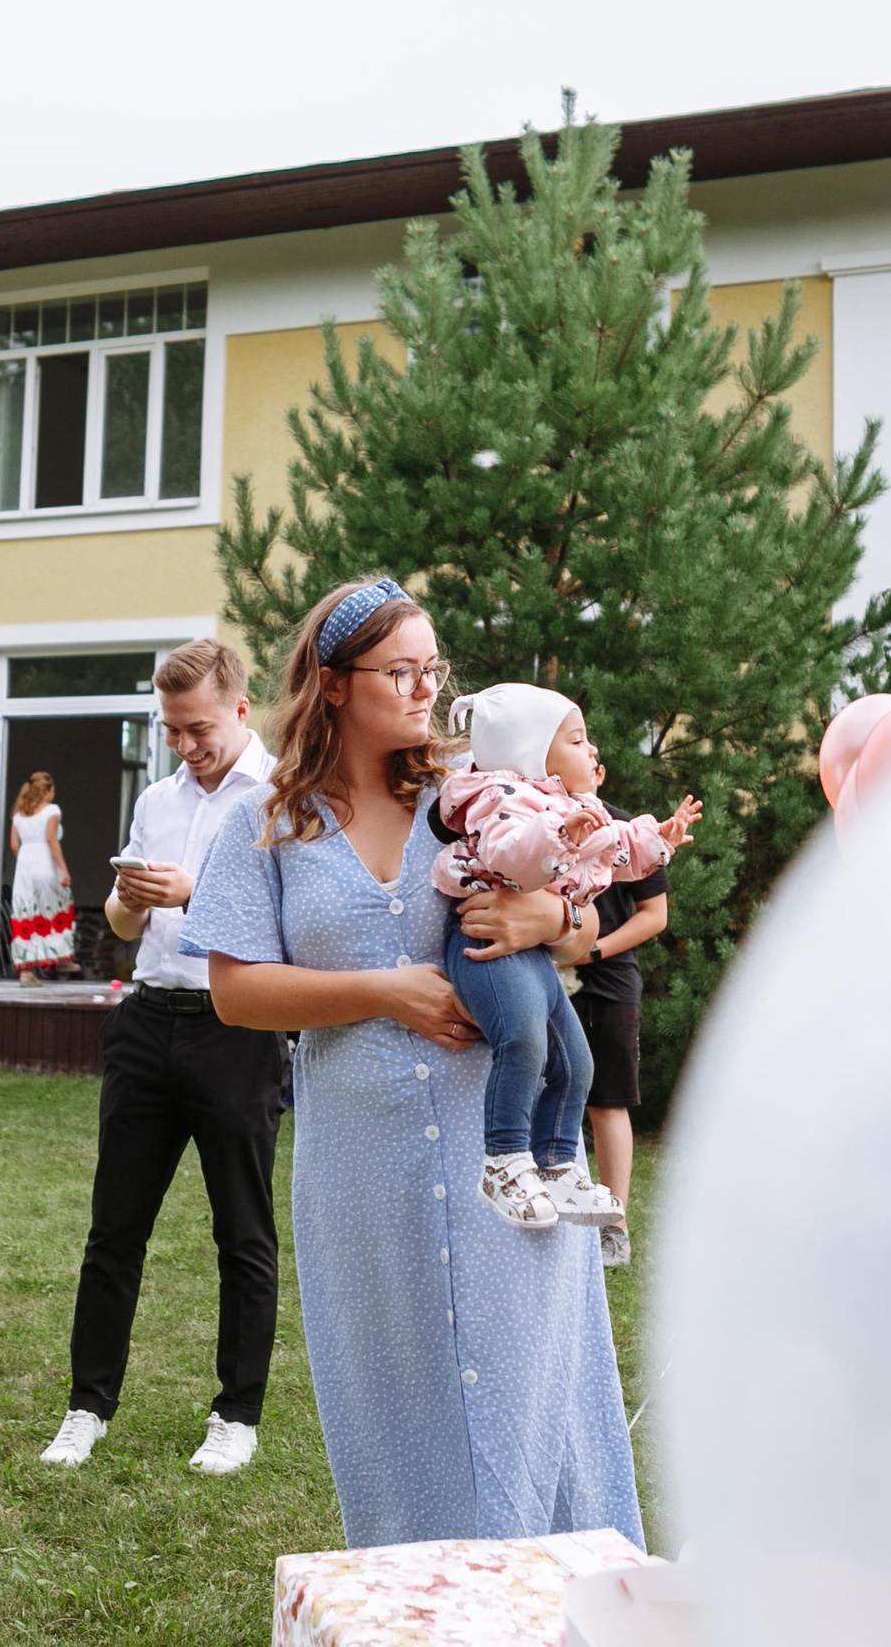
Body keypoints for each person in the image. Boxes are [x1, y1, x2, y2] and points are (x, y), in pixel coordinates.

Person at [183, 576, 645, 1548]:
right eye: (401, 670)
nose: (426, 687)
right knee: (398, 1426)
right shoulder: (268, 819)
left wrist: (547, 916)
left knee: (531, 1418)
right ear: (334, 682)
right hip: (366, 1177)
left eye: (432, 668)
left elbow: (586, 904)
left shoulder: (469, 788)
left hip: (503, 1173)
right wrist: (386, 991)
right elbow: (236, 990)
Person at [40, 640, 283, 1477]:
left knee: (241, 1233)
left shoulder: (286, 797)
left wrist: (196, 894)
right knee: (114, 1231)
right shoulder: (155, 799)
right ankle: (86, 1405)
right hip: (146, 1020)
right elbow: (119, 926)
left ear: (241, 710)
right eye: (173, 730)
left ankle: (237, 1414)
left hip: (236, 1030)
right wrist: (127, 898)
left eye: (200, 728)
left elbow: (288, 931)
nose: (186, 744)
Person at [430, 684, 698, 1230]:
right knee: (523, 1041)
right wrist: (558, 833)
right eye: (577, 740)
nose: (591, 750)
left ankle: (556, 1165)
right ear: (532, 755)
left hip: (531, 951)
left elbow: (616, 850)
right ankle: (504, 1160)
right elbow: (511, 855)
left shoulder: (572, 808)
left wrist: (658, 841)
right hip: (486, 946)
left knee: (577, 1060)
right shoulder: (501, 796)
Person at [569, 756, 671, 1270]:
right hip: (547, 981)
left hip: (608, 983)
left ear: (603, 774)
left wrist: (592, 952)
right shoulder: (533, 825)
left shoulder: (630, 832)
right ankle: (559, 1218)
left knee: (606, 1104)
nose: (581, 761)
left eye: (591, 754)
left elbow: (655, 917)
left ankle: (614, 1228)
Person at [8, 772, 75, 981]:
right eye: (53, 789)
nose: (54, 793)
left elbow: (14, 845)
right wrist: (63, 870)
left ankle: (26, 971)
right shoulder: (51, 811)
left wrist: (25, 861)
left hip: (24, 866)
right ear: (46, 791)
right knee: (57, 906)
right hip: (45, 862)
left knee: (26, 911)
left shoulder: (18, 815)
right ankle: (61, 958)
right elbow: (51, 839)